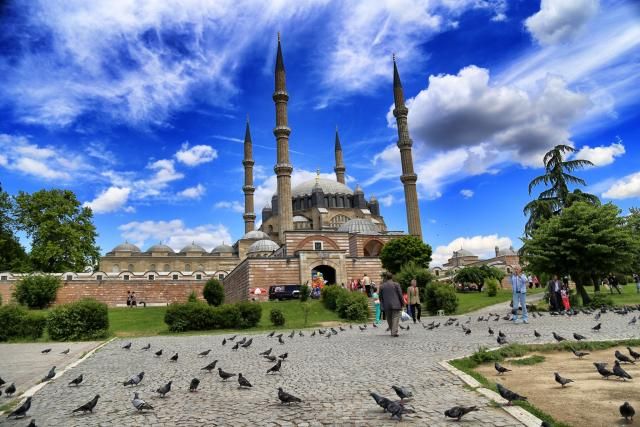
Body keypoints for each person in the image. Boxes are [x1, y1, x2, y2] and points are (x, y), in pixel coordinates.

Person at [379, 272, 403, 337]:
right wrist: (402, 303)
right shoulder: (396, 284)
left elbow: (380, 297)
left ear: (386, 277)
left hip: (386, 305)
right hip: (396, 304)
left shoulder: (382, 286)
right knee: (395, 318)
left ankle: (392, 330)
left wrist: (382, 305)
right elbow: (400, 295)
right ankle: (394, 332)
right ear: (392, 277)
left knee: (389, 318)